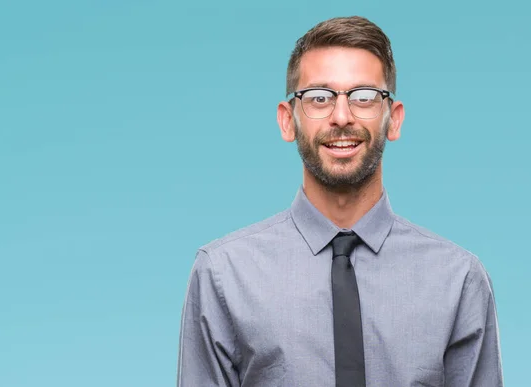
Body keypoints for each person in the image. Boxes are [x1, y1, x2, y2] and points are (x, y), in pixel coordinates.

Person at [176, 15, 503, 387]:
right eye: (319, 97)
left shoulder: (458, 280)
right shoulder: (223, 274)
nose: (342, 116)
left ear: (393, 120)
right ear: (288, 121)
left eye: (364, 97)